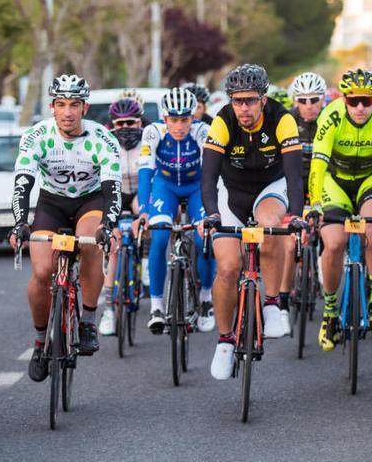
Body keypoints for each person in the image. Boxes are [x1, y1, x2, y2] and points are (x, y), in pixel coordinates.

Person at [9, 74, 122, 382]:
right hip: (51, 203)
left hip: (90, 201)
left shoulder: (103, 138)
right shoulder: (37, 136)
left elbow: (113, 190)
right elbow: (23, 184)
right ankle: (39, 340)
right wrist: (20, 223)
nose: (68, 112)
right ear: (52, 107)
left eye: (74, 105)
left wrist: (108, 224)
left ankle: (87, 319)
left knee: (90, 243)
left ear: (84, 107)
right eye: (61, 105)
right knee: (42, 273)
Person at [201, 63, 306, 380]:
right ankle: (224, 340)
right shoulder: (222, 121)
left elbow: (294, 177)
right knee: (229, 267)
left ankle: (272, 303)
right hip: (231, 191)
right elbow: (207, 179)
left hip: (270, 188)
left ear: (263, 98)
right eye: (237, 100)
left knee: (269, 223)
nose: (243, 108)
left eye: (250, 100)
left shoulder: (282, 119)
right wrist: (212, 214)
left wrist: (297, 215)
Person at [310, 69, 372, 351]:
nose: (360, 107)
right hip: (335, 180)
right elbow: (318, 164)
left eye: (367, 101)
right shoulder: (331, 116)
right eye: (353, 101)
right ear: (344, 99)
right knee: (334, 243)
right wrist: (313, 205)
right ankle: (331, 312)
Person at [138, 88, 216, 334]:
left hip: (197, 187)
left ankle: (205, 299)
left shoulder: (203, 131)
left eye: (185, 119)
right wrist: (143, 210)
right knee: (160, 237)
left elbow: (212, 173)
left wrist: (213, 210)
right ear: (164, 117)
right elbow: (145, 171)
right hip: (165, 187)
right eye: (174, 119)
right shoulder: (152, 132)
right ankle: (157, 306)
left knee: (204, 237)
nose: (180, 126)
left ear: (193, 117)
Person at [278, 71, 328, 332]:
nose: (309, 105)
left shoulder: (331, 120)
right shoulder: (286, 120)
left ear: (323, 100)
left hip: (323, 183)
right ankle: (283, 302)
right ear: (295, 101)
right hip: (293, 184)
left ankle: (320, 264)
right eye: (303, 100)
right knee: (289, 244)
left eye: (314, 99)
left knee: (330, 235)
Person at [98, 98, 146, 335]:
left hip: (139, 193)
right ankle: (108, 309)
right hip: (115, 194)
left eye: (131, 122)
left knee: (146, 218)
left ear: (139, 121)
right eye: (120, 123)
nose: (125, 127)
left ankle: (144, 261)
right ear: (113, 125)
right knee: (115, 249)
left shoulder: (148, 140)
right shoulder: (106, 144)